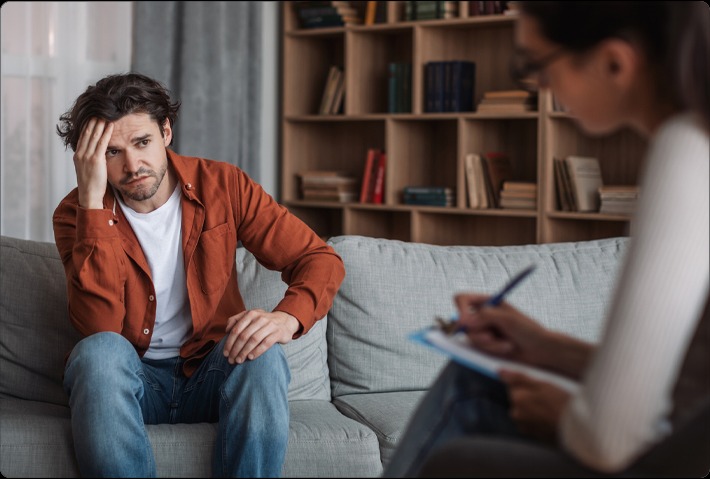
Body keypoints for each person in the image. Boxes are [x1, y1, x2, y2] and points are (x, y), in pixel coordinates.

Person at [383, 1, 709, 477]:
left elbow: (610, 442)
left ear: (614, 62)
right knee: (476, 377)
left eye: (535, 63)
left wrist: (563, 414)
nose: (537, 83)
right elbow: (685, 386)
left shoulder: (688, 148)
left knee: (468, 409)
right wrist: (542, 346)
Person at [52, 72, 346, 478]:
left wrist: (287, 318)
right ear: (90, 161)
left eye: (142, 143)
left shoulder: (223, 184)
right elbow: (100, 327)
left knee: (264, 358)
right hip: (132, 384)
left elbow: (319, 258)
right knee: (98, 354)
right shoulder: (75, 216)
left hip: (212, 372)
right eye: (112, 153)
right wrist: (91, 203)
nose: (132, 165)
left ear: (166, 132)